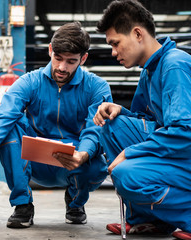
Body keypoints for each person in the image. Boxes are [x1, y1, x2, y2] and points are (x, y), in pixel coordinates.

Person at [0, 22, 112, 228]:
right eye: (58, 58)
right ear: (50, 50)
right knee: (10, 124)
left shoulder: (96, 87)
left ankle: (75, 202)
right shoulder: (30, 81)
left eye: (71, 61)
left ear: (83, 59)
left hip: (73, 160)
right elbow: (4, 113)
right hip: (33, 159)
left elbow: (96, 130)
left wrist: (83, 155)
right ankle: (23, 205)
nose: (62, 67)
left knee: (98, 165)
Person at [94, 1, 191, 239]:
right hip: (176, 155)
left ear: (138, 33)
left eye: (115, 43)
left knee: (126, 174)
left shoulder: (173, 66)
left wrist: (130, 153)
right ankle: (150, 221)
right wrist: (119, 111)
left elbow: (185, 130)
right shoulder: (150, 70)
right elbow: (147, 121)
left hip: (186, 156)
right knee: (110, 123)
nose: (113, 52)